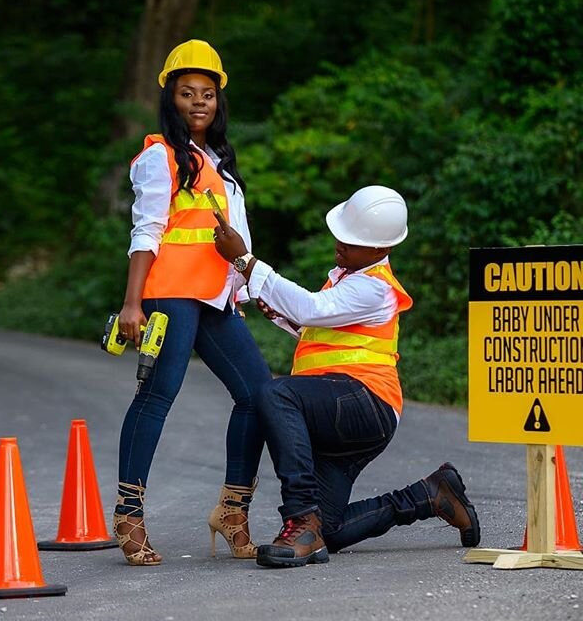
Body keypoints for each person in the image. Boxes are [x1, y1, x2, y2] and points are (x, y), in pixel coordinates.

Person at [213, 185, 480, 568]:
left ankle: (300, 518)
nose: (340, 244)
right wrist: (282, 315)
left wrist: (245, 261)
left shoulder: (374, 287)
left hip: (364, 402)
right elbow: (319, 325)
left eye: (352, 241)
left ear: (380, 250)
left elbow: (310, 307)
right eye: (342, 235)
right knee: (332, 531)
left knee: (275, 394)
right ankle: (431, 494)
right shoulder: (348, 279)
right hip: (345, 408)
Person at [113, 39, 271, 566]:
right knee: (159, 395)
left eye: (207, 93)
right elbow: (148, 230)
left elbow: (233, 238)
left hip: (215, 296)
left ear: (218, 101)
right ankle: (129, 514)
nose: (198, 102)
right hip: (169, 295)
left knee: (258, 394)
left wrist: (240, 289)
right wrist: (132, 303)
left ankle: (232, 509)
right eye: (187, 93)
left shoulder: (220, 162)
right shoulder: (159, 156)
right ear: (170, 98)